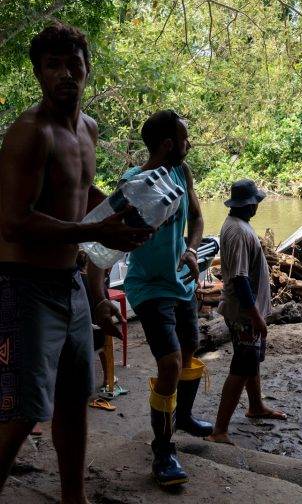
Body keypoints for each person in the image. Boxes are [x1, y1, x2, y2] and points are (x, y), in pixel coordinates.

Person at [0, 24, 150, 502]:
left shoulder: (88, 129)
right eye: (53, 65)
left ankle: (74, 497)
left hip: (69, 283)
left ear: (87, 68)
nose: (65, 73)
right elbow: (13, 222)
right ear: (39, 74)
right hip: (23, 284)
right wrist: (95, 232)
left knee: (73, 396)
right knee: (22, 409)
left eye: (74, 63)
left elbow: (80, 192)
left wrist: (126, 214)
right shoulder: (29, 132)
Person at [89, 109, 211, 487]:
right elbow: (102, 244)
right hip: (147, 285)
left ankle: (183, 415)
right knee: (170, 363)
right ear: (169, 144)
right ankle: (163, 450)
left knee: (190, 348)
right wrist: (99, 296)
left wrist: (191, 250)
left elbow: (197, 219)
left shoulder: (182, 173)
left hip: (179, 281)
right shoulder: (134, 184)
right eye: (186, 138)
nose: (190, 144)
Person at [208, 179, 287, 445]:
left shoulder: (237, 224)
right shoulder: (239, 231)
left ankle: (255, 406)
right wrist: (256, 317)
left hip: (247, 310)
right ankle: (219, 430)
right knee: (242, 366)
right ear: (250, 204)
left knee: (251, 360)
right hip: (244, 313)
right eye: (256, 202)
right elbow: (240, 279)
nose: (257, 206)